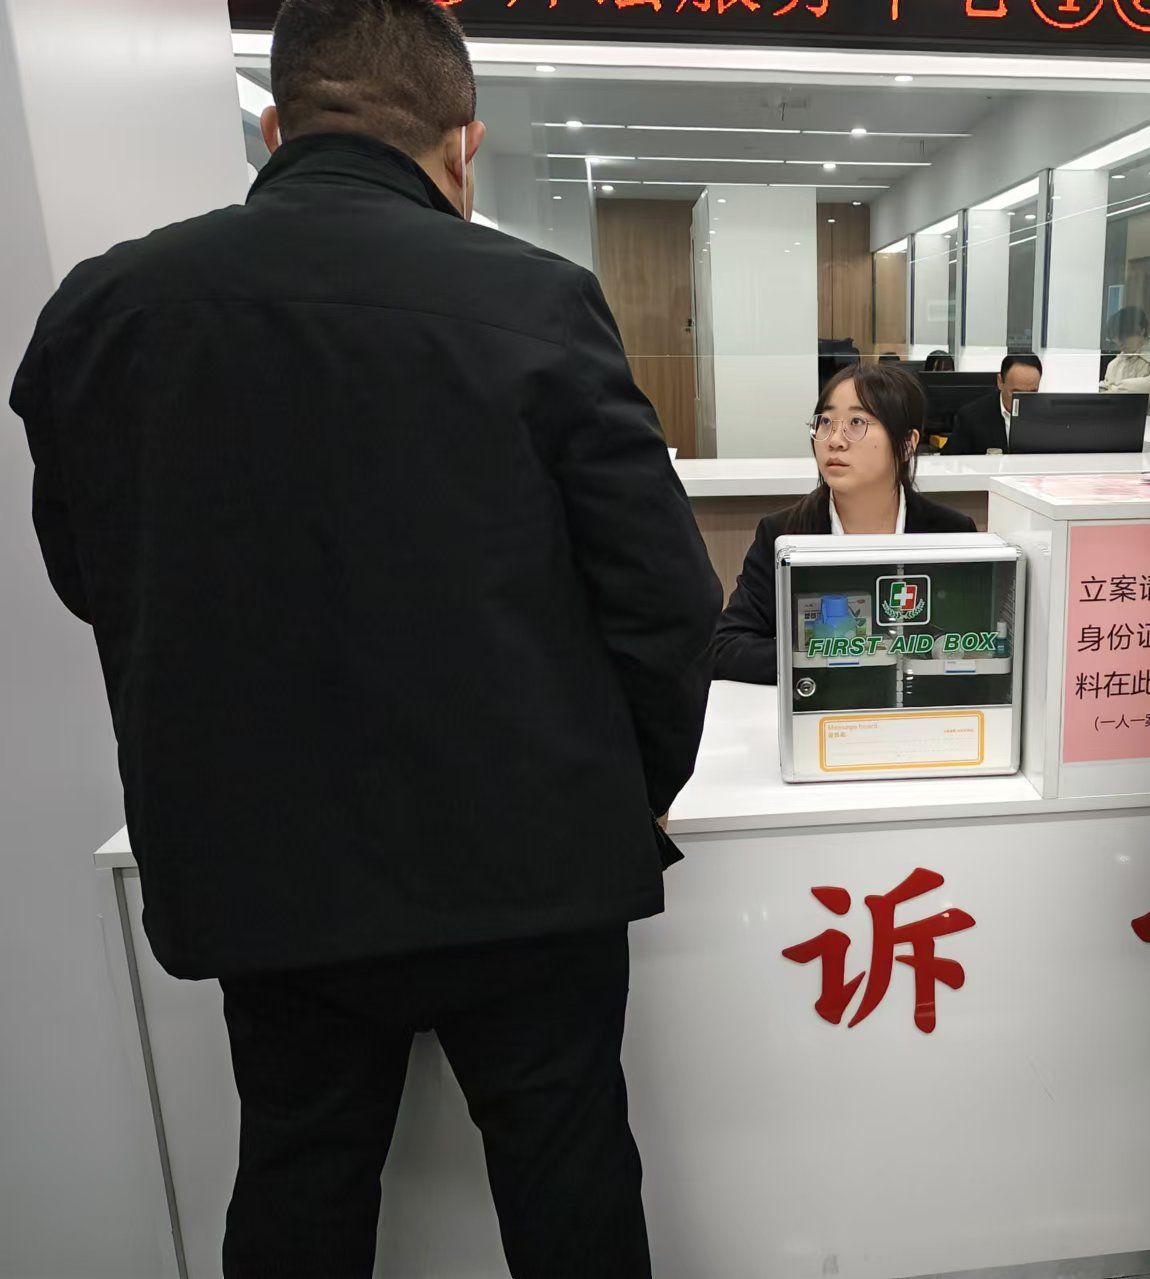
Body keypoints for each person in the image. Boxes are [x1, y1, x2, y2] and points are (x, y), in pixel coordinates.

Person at [10, 1, 723, 1274]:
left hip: (260, 862)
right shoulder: (536, 300)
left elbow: (94, 574)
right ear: (463, 146)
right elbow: (664, 598)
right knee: (565, 1171)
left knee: (299, 1173)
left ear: (274, 128)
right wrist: (636, 785)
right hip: (529, 857)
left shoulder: (105, 308)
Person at [711, 364, 976, 684]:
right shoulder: (783, 534)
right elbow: (726, 647)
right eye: (826, 422)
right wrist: (829, 659)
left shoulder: (952, 534)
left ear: (907, 444)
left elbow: (973, 646)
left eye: (856, 422)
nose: (834, 440)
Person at [942, 352, 1043, 456]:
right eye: (1016, 393)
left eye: (1032, 393)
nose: (1023, 401)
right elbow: (948, 460)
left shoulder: (1047, 417)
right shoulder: (971, 417)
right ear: (1000, 382)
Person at [1099, 306, 1150, 418]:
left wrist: (1113, 391)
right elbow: (1101, 395)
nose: (1119, 342)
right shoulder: (1114, 364)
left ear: (1142, 331)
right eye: (1115, 337)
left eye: (1124, 336)